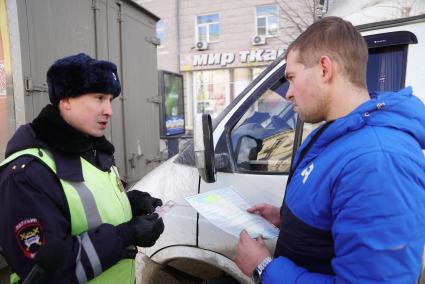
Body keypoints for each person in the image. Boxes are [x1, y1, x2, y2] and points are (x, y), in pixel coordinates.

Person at [234, 16, 425, 283]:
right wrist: (286, 219)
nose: (287, 93)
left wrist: (265, 267)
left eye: (291, 77)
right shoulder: (341, 135)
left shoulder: (378, 161)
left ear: (324, 69)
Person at [0, 53, 165, 283]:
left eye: (110, 99)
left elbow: (84, 209)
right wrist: (126, 234)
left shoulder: (94, 150)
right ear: (65, 100)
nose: (109, 110)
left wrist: (130, 203)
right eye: (99, 98)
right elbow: (48, 274)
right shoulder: (27, 174)